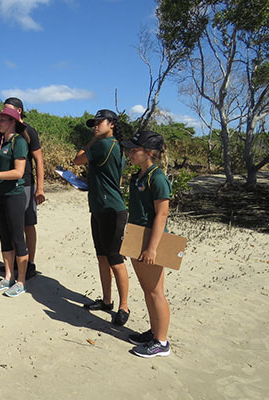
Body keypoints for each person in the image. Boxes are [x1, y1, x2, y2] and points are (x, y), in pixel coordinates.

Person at [73, 109, 130, 326]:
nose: (96, 126)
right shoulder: (116, 147)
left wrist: (91, 141)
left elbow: (78, 159)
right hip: (100, 207)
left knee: (114, 259)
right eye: (94, 123)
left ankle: (123, 307)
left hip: (110, 210)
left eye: (100, 122)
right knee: (102, 257)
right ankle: (107, 300)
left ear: (112, 124)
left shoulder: (104, 144)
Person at [121, 131, 172, 357]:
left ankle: (162, 341)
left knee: (155, 292)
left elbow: (161, 215)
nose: (130, 153)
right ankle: (154, 332)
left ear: (149, 152)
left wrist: (152, 248)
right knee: (147, 290)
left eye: (135, 150)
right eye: (130, 149)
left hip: (152, 239)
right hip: (137, 236)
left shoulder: (157, 177)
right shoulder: (139, 176)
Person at [0, 108, 30, 297]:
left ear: (13, 122)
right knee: (4, 237)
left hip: (14, 196)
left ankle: (21, 281)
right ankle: (8, 276)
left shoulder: (19, 142)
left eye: (3, 120)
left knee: (18, 237)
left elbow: (18, 172)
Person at [3, 98, 45, 279]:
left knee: (28, 224)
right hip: (8, 185)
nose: (4, 113)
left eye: (8, 110)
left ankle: (31, 263)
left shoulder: (29, 131)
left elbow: (39, 160)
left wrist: (40, 188)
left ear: (19, 111)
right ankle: (16, 262)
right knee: (13, 225)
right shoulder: (4, 131)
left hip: (26, 183)